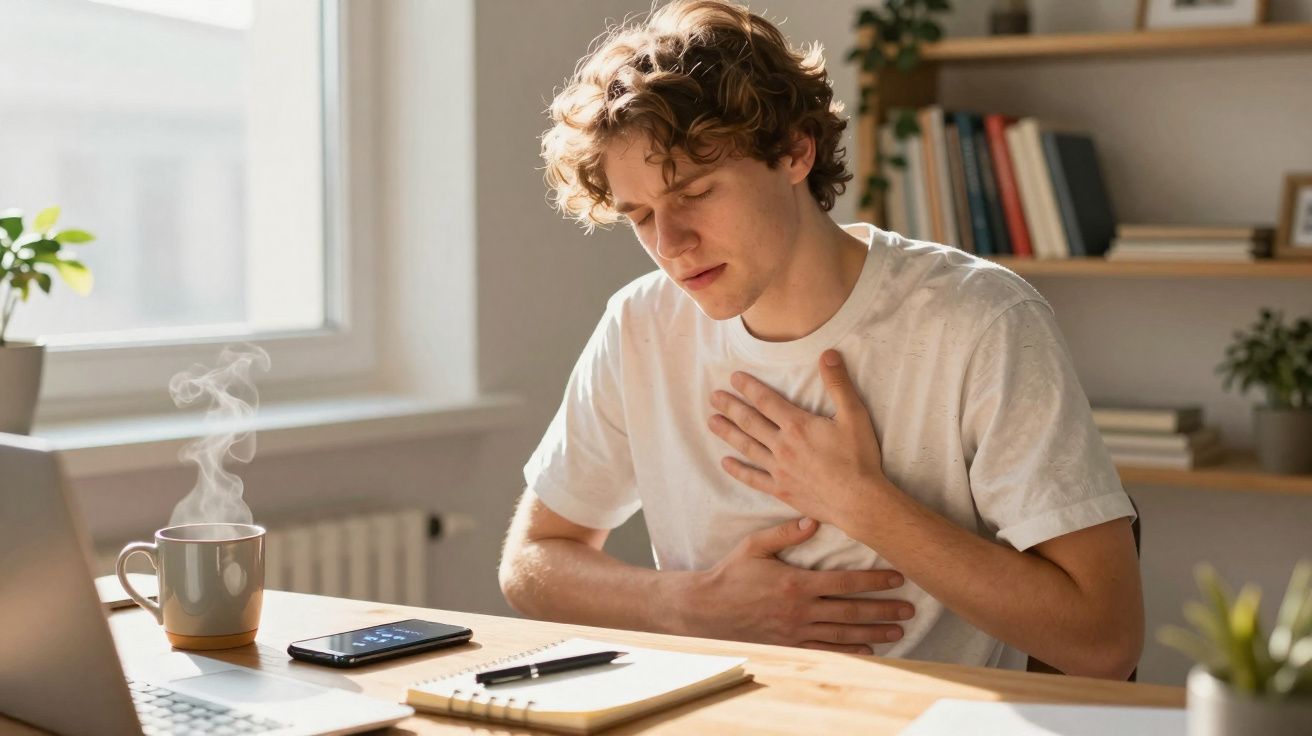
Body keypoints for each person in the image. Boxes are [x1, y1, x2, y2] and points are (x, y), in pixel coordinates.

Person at [498, 0, 1143, 679]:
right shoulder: (640, 325)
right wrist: (689, 605)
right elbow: (533, 562)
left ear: (795, 152)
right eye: (640, 216)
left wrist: (863, 504)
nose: (670, 244)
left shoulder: (981, 320)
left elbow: (1104, 641)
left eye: (695, 191)